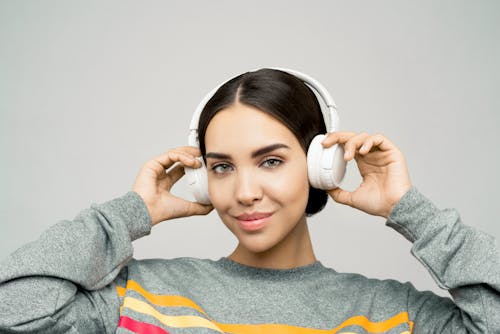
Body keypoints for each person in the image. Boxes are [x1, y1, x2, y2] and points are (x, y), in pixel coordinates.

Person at [0, 69, 498, 333]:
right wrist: (125, 215)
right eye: (221, 167)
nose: (242, 192)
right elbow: (13, 312)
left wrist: (413, 212)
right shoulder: (141, 299)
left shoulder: (389, 315)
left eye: (271, 161)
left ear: (322, 165)